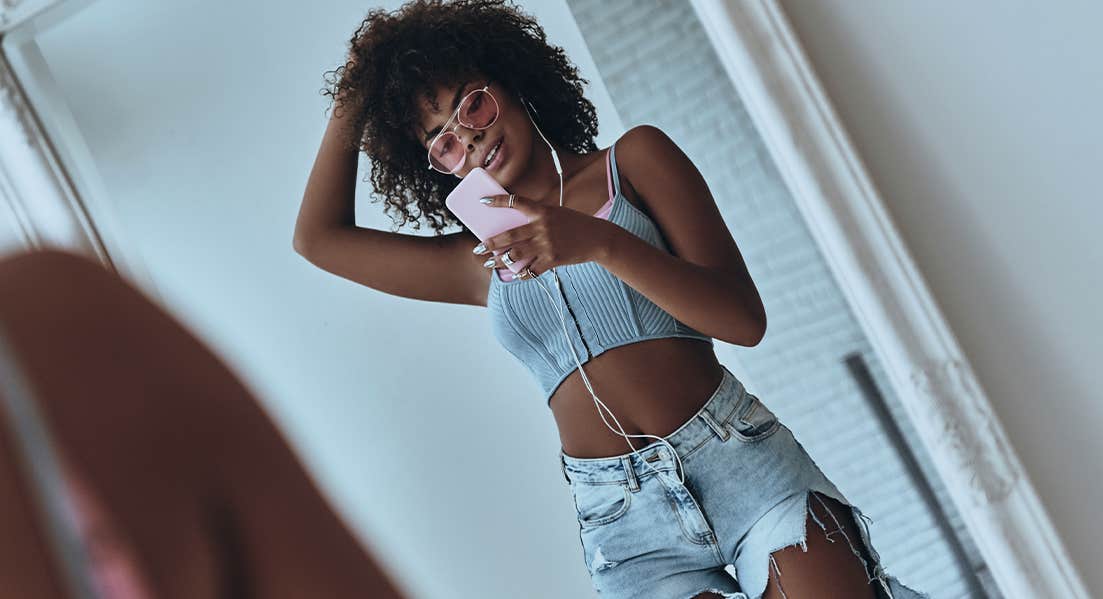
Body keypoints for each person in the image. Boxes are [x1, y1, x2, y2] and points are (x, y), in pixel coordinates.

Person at [293, 1, 928, 597]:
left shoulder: (634, 162)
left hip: (738, 460)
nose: (471, 139)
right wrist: (363, 76)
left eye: (474, 107)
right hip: (623, 524)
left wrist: (599, 241)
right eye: (443, 140)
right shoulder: (479, 264)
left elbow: (743, 319)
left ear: (511, 82)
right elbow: (319, 239)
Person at [0, 249, 410, 599]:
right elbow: (315, 240)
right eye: (444, 150)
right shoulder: (54, 315)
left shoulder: (52, 324)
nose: (468, 156)